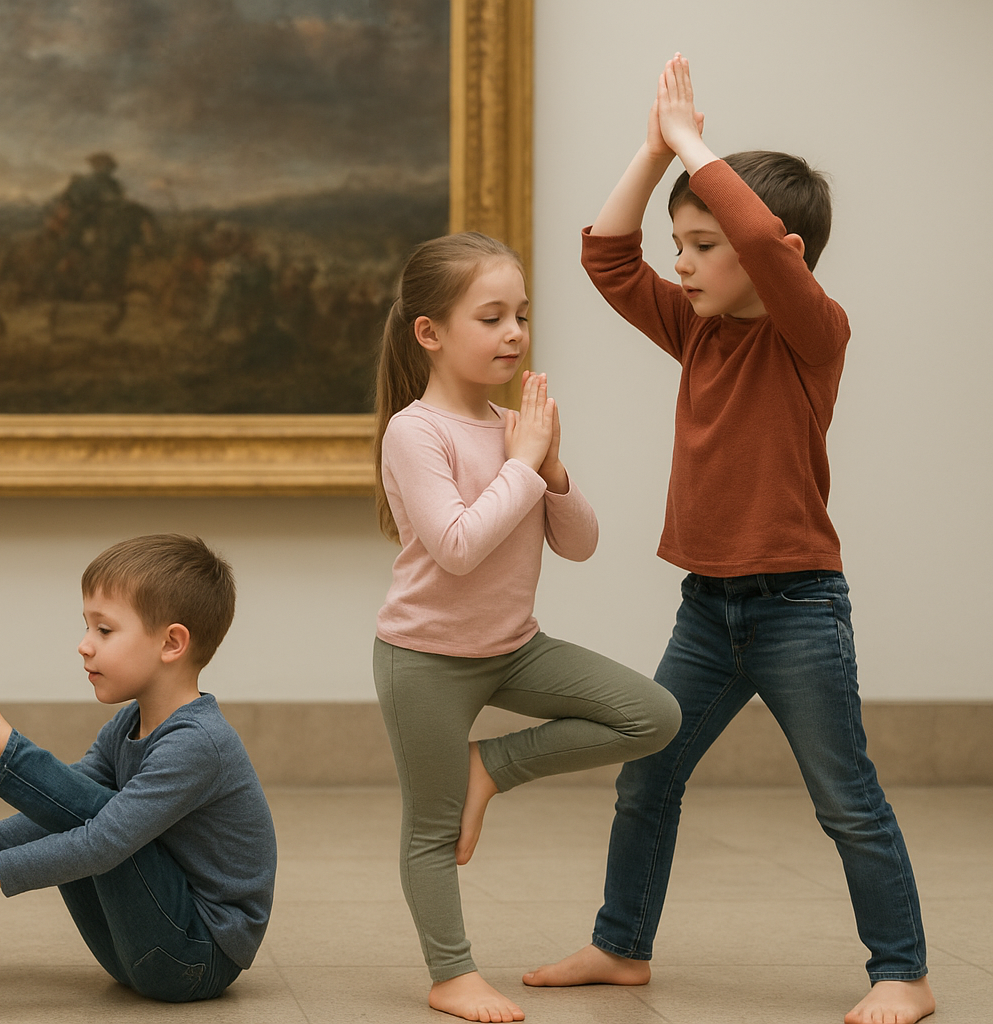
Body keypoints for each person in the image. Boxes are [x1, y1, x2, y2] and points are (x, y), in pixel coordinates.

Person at [523, 55, 936, 1024]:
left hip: (799, 609)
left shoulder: (812, 332)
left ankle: (904, 971)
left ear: (772, 254)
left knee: (846, 799)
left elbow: (758, 234)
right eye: (683, 240)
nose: (683, 261)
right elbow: (606, 257)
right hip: (708, 609)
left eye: (704, 243)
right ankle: (622, 946)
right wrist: (657, 145)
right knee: (648, 775)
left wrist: (697, 146)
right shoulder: (698, 329)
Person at [372, 231, 681, 1022]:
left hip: (514, 647)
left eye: (522, 314)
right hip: (426, 658)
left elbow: (578, 543)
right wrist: (523, 460)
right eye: (491, 317)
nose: (514, 332)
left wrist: (551, 468)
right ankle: (451, 974)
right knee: (432, 829)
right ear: (430, 333)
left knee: (652, 714)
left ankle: (492, 768)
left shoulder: (518, 428)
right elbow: (459, 547)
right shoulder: (416, 432)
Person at [0, 534, 275, 1004]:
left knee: (102, 825)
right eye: (86, 628)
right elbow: (64, 803)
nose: (83, 645)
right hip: (132, 951)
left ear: (172, 643)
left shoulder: (197, 743)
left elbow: (102, 844)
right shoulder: (128, 725)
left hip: (194, 959)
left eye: (104, 630)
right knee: (83, 801)